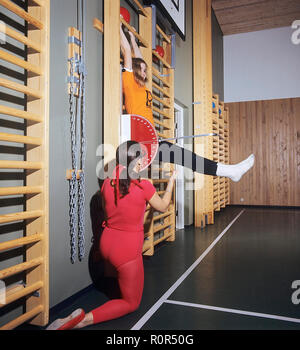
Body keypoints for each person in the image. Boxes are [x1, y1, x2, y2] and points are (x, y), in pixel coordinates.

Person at [46, 141, 177, 330]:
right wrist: (171, 182)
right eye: (142, 158)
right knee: (131, 303)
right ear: (136, 161)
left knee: (120, 281)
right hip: (127, 250)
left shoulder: (107, 182)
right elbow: (163, 206)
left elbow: (119, 208)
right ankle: (81, 321)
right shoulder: (143, 186)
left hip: (106, 243)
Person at [120, 22, 255, 182]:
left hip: (151, 138)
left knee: (188, 158)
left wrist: (132, 37)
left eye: (145, 70)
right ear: (133, 70)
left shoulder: (141, 86)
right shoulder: (129, 82)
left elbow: (137, 56)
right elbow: (127, 51)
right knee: (188, 158)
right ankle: (231, 171)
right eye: (142, 70)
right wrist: (118, 24)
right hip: (141, 140)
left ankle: (230, 171)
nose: (144, 72)